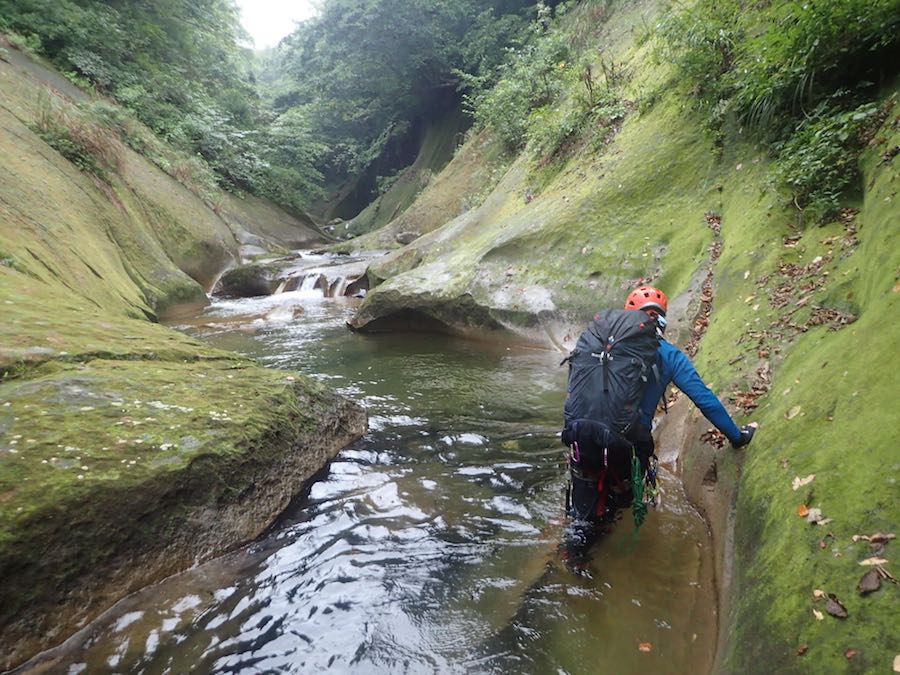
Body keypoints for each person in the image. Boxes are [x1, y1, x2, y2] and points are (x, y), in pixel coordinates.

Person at [562, 285, 757, 532]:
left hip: (581, 438)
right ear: (662, 319)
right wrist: (737, 437)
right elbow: (704, 400)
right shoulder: (668, 354)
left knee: (581, 520)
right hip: (628, 447)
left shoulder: (596, 345)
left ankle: (571, 556)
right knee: (615, 514)